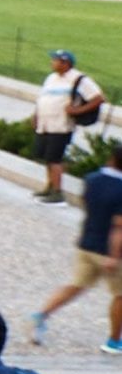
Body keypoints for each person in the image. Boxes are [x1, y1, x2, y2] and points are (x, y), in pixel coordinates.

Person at [31, 138, 122, 353]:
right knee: (120, 296)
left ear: (111, 159)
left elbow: (87, 204)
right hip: (109, 250)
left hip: (86, 242)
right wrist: (114, 255)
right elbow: (119, 226)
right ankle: (114, 340)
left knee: (76, 285)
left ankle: (41, 315)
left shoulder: (92, 179)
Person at [31, 50, 105, 204]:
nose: (52, 63)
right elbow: (43, 98)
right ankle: (49, 186)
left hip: (61, 126)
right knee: (47, 158)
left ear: (65, 63)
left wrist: (77, 110)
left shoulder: (79, 79)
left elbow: (98, 98)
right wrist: (36, 115)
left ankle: (58, 193)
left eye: (56, 60)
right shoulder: (51, 78)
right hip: (45, 124)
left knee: (54, 158)